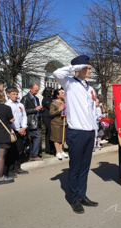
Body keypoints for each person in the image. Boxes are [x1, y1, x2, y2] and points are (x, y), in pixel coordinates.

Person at [53, 55, 99, 214]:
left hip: (89, 131)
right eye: (87, 67)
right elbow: (57, 73)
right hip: (76, 131)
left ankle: (82, 195)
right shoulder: (69, 83)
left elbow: (92, 111)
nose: (90, 69)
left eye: (90, 67)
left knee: (85, 167)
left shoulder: (91, 88)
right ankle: (74, 199)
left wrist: (95, 129)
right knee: (75, 166)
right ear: (79, 68)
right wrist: (76, 67)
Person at [4, 87, 29, 178]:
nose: (15, 96)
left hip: (21, 130)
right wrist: (17, 129)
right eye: (13, 94)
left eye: (16, 94)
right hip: (12, 130)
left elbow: (24, 116)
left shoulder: (20, 105)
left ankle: (17, 167)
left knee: (19, 149)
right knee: (11, 150)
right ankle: (10, 169)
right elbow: (9, 119)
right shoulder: (7, 105)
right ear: (8, 94)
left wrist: (23, 127)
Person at [21, 83, 43, 161]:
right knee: (37, 137)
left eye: (38, 90)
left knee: (34, 138)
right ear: (30, 88)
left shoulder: (36, 98)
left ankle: (31, 154)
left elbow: (37, 109)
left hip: (36, 120)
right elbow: (23, 111)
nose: (36, 92)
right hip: (30, 121)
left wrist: (40, 109)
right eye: (35, 90)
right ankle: (34, 155)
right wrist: (35, 109)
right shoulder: (25, 98)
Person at [49, 89, 68, 160]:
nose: (63, 94)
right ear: (57, 95)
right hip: (56, 123)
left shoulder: (64, 102)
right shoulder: (53, 103)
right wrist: (59, 110)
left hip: (63, 122)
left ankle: (61, 150)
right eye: (62, 93)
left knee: (62, 137)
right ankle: (57, 152)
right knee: (56, 138)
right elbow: (51, 113)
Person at [42, 87, 55, 155]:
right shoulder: (46, 99)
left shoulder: (50, 98)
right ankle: (49, 148)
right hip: (47, 117)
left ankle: (50, 148)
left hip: (50, 117)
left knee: (49, 132)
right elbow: (51, 107)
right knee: (49, 132)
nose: (53, 93)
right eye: (52, 92)